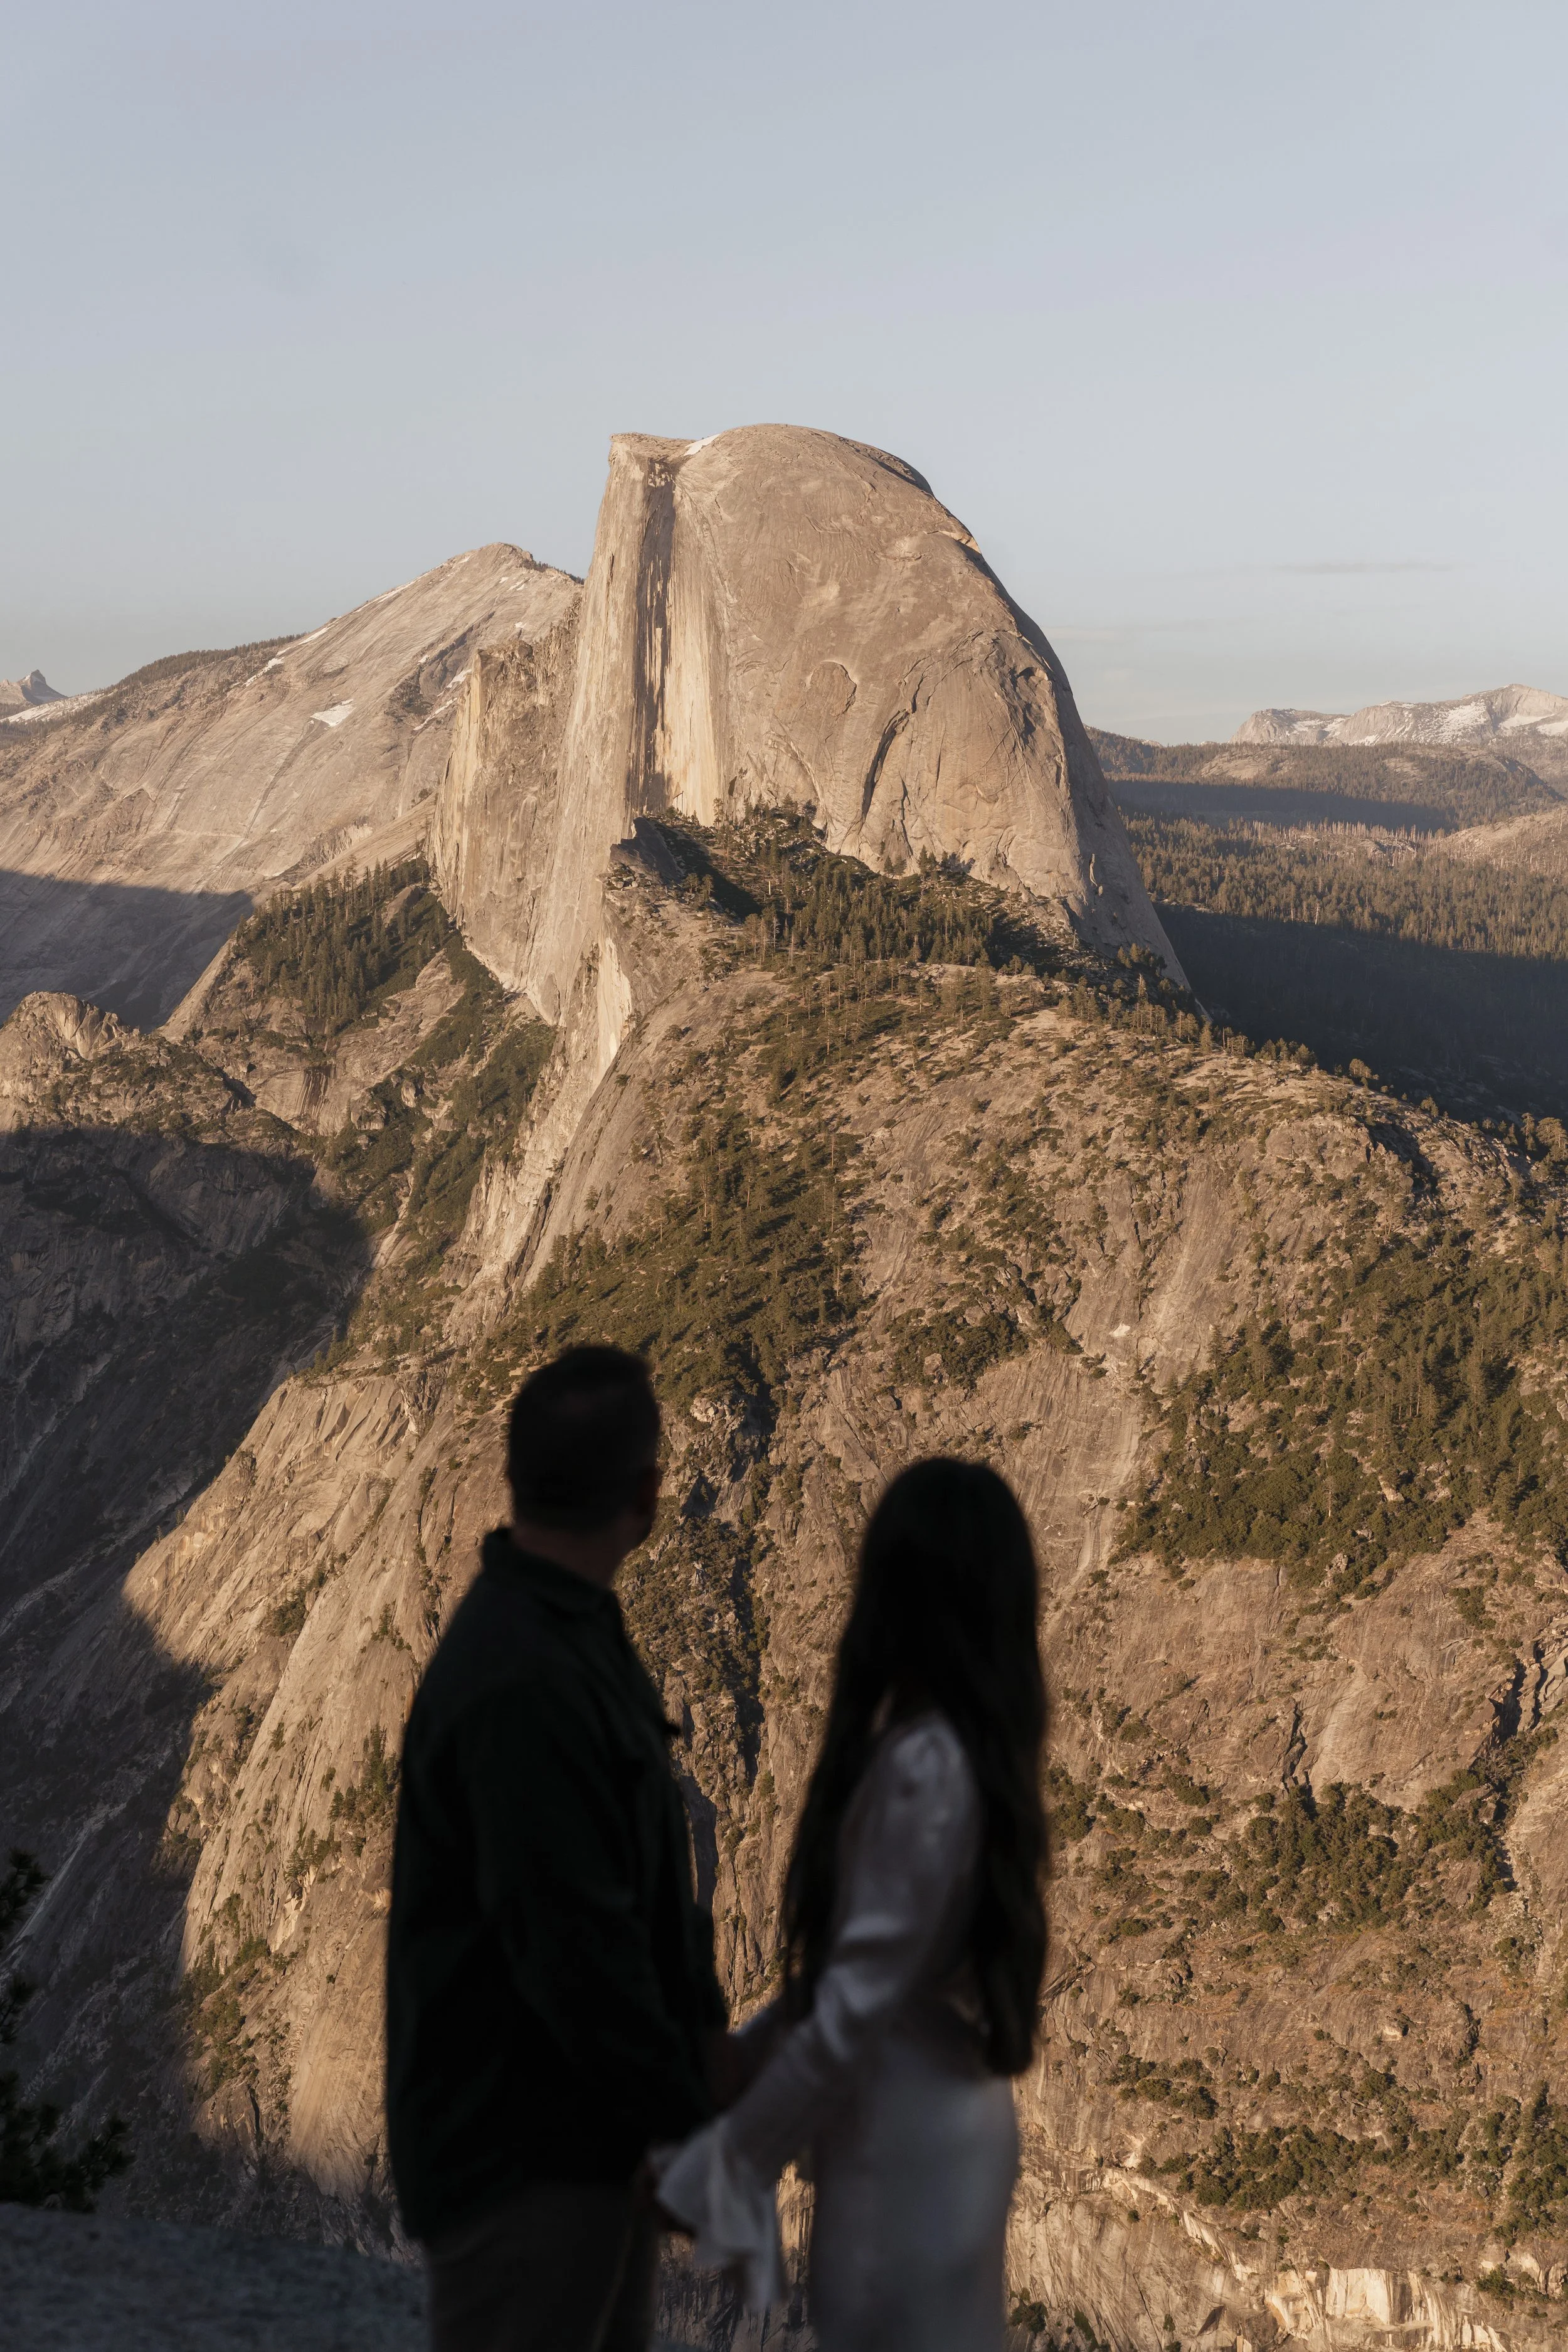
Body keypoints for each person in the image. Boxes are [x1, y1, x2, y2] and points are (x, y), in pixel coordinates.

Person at [654, 1457, 1047, 2352]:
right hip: (938, 2131)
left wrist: (717, 2169)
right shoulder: (965, 1759)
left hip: (904, 2154)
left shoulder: (923, 1770)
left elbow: (852, 2009)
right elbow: (863, 1980)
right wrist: (745, 2054)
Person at [386, 1345, 728, 2352]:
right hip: (524, 2170)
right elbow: (573, 1946)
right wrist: (686, 2123)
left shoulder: (556, 1633)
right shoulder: (526, 1676)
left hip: (576, 2150)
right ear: (649, 1495)